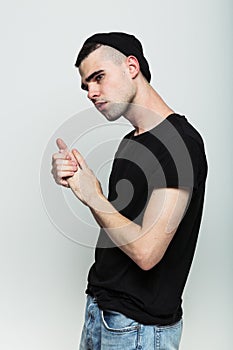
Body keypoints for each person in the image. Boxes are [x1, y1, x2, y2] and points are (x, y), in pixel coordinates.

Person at [51, 32, 208, 350]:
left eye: (98, 78)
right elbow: (119, 227)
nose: (91, 93)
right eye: (86, 86)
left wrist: (92, 195)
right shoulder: (130, 142)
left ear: (131, 66)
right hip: (101, 309)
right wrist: (79, 180)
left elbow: (147, 252)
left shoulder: (180, 143)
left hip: (139, 328)